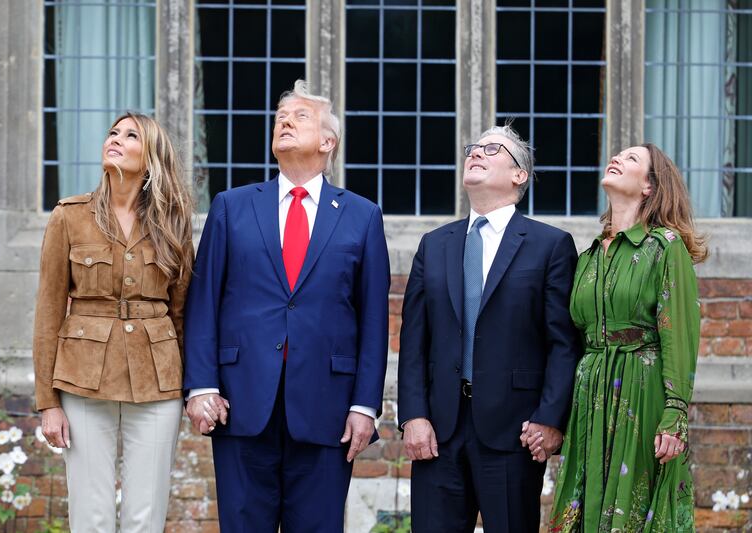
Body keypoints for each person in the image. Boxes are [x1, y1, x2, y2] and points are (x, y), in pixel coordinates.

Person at [183, 79, 390, 532]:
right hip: (240, 401)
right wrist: (200, 385)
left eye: (300, 116)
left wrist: (365, 405)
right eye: (280, 117)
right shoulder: (230, 207)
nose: (284, 121)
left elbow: (374, 320)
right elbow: (203, 303)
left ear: (327, 141)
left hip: (327, 407)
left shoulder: (362, 215)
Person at [397, 124, 581, 532]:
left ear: (520, 175)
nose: (475, 153)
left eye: (492, 148)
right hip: (438, 431)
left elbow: (564, 342)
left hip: (513, 431)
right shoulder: (434, 244)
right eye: (472, 148)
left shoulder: (550, 245)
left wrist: (550, 418)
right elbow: (413, 341)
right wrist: (413, 415)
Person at [32, 113, 194, 532]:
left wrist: (193, 387)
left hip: (158, 380)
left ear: (152, 156)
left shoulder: (173, 222)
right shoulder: (69, 216)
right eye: (112, 133)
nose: (115, 140)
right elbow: (49, 314)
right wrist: (48, 403)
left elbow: (182, 314)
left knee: (146, 513)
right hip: (83, 376)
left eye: (130, 135)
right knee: (91, 513)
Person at [547, 144, 706, 532]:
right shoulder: (587, 257)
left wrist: (675, 414)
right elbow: (574, 340)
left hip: (642, 389)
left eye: (631, 159)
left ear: (650, 186)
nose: (616, 158)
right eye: (616, 154)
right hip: (590, 393)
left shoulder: (665, 248)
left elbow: (679, 333)